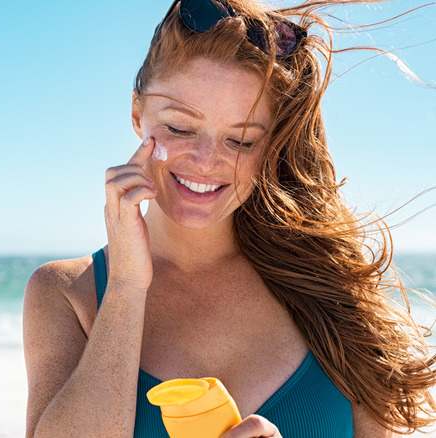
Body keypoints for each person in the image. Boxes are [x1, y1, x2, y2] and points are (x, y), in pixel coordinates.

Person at [23, 0, 436, 436]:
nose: (205, 162)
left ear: (270, 145)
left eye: (240, 141)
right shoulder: (68, 295)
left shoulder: (335, 289)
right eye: (180, 128)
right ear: (137, 114)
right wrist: (125, 286)